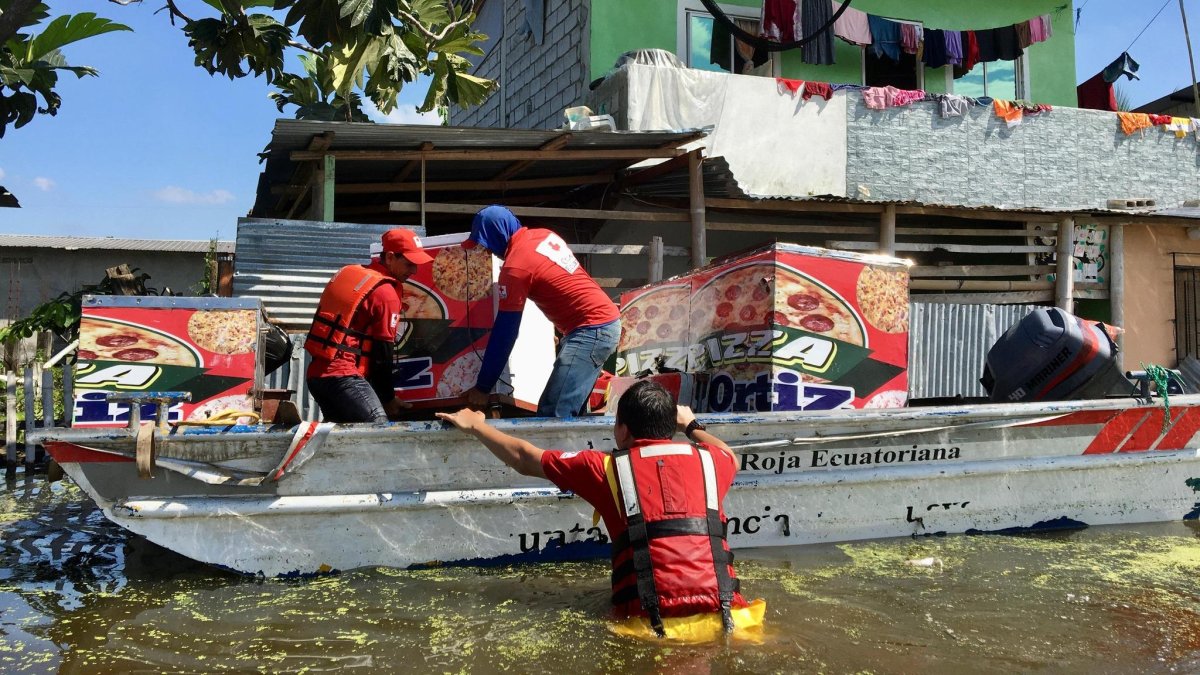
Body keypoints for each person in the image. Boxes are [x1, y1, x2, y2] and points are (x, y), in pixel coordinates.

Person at [437, 380, 765, 641]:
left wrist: (476, 426)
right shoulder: (712, 462)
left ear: (622, 429)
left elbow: (524, 458)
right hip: (730, 621)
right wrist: (691, 424)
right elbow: (730, 455)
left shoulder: (605, 468)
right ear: (671, 425)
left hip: (647, 629)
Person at [461, 205, 621, 418]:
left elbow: (505, 333)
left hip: (591, 330)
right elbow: (559, 282)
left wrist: (483, 387)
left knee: (553, 415)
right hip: (601, 324)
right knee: (570, 414)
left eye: (487, 244)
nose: (488, 251)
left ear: (498, 234)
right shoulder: (543, 235)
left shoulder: (516, 267)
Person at [305, 228, 433, 423]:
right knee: (378, 430)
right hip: (343, 376)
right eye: (409, 264)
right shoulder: (385, 293)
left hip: (317, 376)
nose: (414, 271)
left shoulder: (357, 275)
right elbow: (382, 355)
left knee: (342, 436)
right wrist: (388, 399)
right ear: (390, 257)